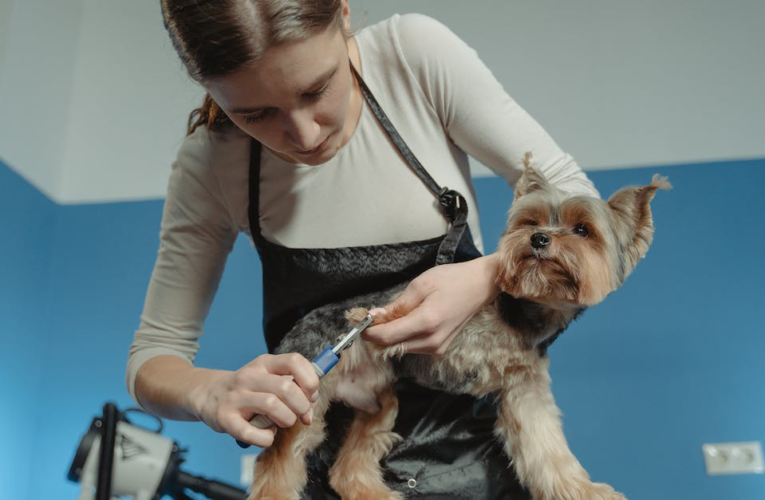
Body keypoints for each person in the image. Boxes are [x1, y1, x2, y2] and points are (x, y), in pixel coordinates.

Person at [126, 0, 600, 497]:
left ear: (344, 14)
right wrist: (210, 391)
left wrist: (486, 275)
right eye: (256, 114)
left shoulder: (412, 59)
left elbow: (577, 199)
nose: (304, 135)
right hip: (331, 475)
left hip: (477, 467)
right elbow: (154, 355)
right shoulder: (211, 162)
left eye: (316, 89)